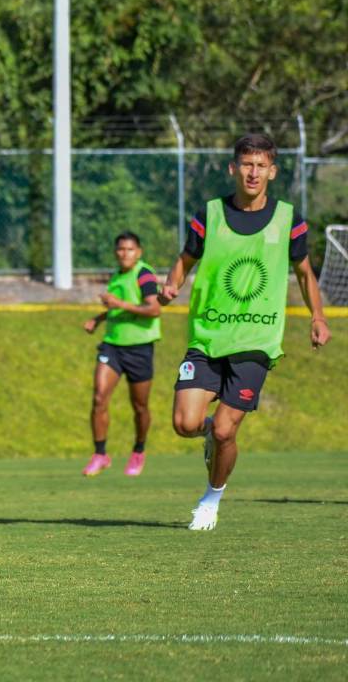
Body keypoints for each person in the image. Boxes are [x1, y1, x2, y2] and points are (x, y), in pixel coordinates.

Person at [159, 134, 330, 531]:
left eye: (261, 166)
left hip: (256, 342)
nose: (253, 173)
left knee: (225, 428)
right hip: (207, 337)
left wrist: (317, 317)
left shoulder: (289, 219)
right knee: (185, 424)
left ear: (272, 171)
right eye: (246, 164)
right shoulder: (210, 214)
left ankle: (210, 498)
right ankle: (209, 443)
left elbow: (304, 273)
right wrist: (172, 286)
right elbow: (185, 260)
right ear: (233, 168)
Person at [81, 232, 161, 477]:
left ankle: (138, 450)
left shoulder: (144, 274)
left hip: (139, 347)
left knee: (139, 406)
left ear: (139, 252)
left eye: (129, 249)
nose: (124, 254)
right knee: (99, 398)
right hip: (112, 346)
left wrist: (118, 304)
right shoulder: (116, 277)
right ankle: (100, 454)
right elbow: (119, 308)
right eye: (120, 249)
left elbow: (154, 308)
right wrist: (99, 318)